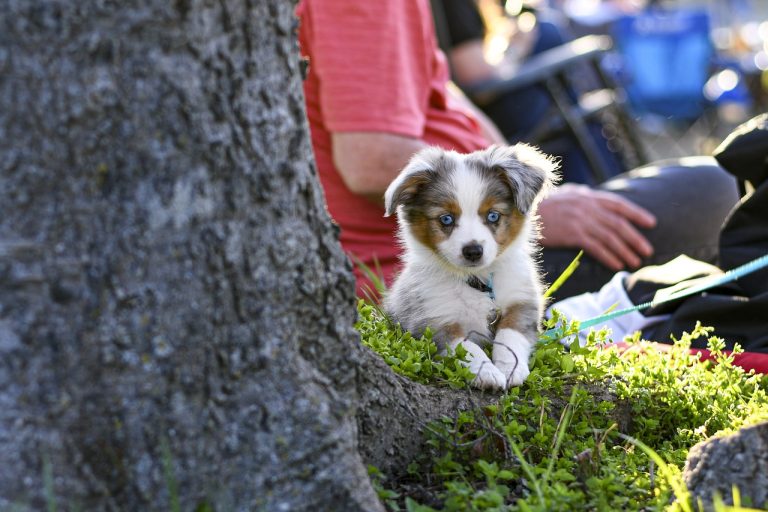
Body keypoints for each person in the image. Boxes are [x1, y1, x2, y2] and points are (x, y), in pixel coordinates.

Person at [296, 0, 739, 299]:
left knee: (711, 187)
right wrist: (532, 214)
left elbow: (447, 95)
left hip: (481, 228)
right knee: (718, 193)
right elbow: (372, 163)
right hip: (435, 271)